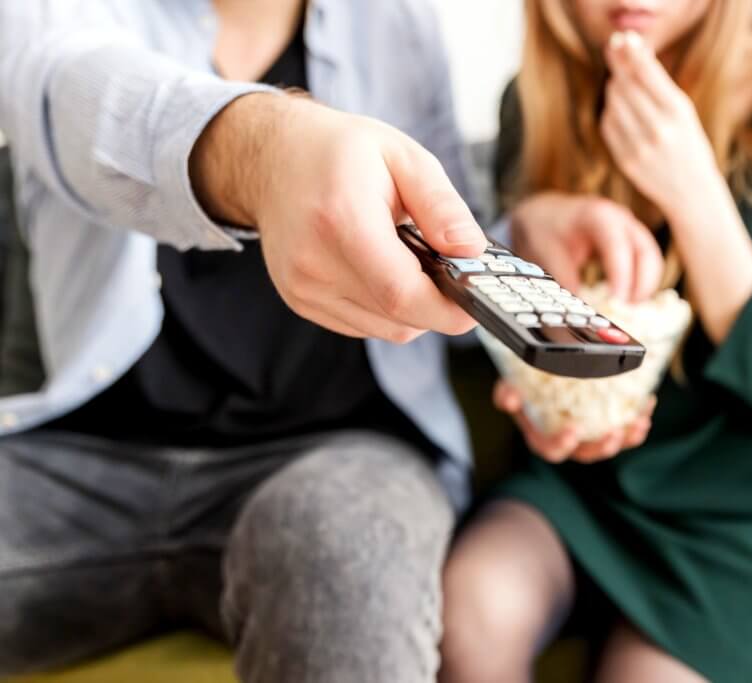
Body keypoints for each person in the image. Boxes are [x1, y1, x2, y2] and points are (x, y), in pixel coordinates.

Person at [0, 1, 489, 681]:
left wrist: (533, 234)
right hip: (87, 457)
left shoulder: (398, 20)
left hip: (341, 453)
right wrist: (268, 152)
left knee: (344, 551)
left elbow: (456, 231)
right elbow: (71, 89)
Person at [440, 1, 752, 682]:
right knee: (468, 607)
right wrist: (545, 401)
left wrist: (694, 190)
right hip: (584, 489)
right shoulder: (534, 101)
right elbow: (533, 355)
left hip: (751, 509)